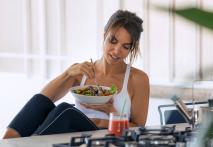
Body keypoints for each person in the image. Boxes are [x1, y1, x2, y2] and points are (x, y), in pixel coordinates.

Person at [3, 9, 150, 139]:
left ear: (132, 48)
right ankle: (7, 141)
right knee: (40, 102)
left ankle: (31, 143)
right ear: (104, 36)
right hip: (70, 134)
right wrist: (68, 73)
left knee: (65, 110)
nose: (117, 51)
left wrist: (111, 114)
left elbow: (138, 126)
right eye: (113, 41)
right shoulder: (82, 71)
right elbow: (42, 101)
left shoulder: (137, 79)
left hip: (106, 136)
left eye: (125, 46)